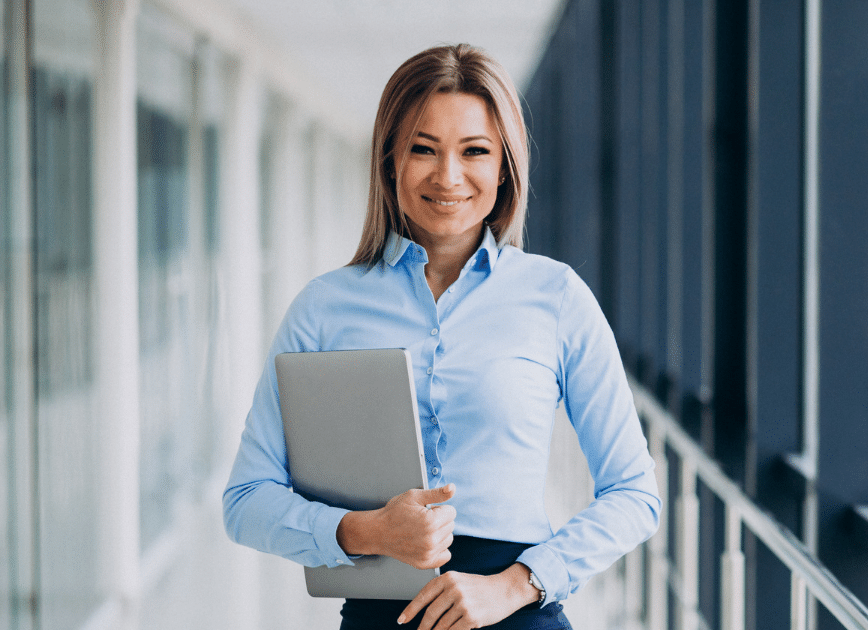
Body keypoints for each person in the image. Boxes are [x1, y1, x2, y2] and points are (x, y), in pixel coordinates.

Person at [222, 43, 661, 630]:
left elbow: (635, 493)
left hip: (517, 612)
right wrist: (366, 530)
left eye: (474, 151)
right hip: (381, 614)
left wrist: (516, 584)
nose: (448, 176)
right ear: (389, 163)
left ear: (504, 166)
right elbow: (246, 499)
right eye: (423, 150)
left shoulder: (557, 298)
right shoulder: (325, 308)